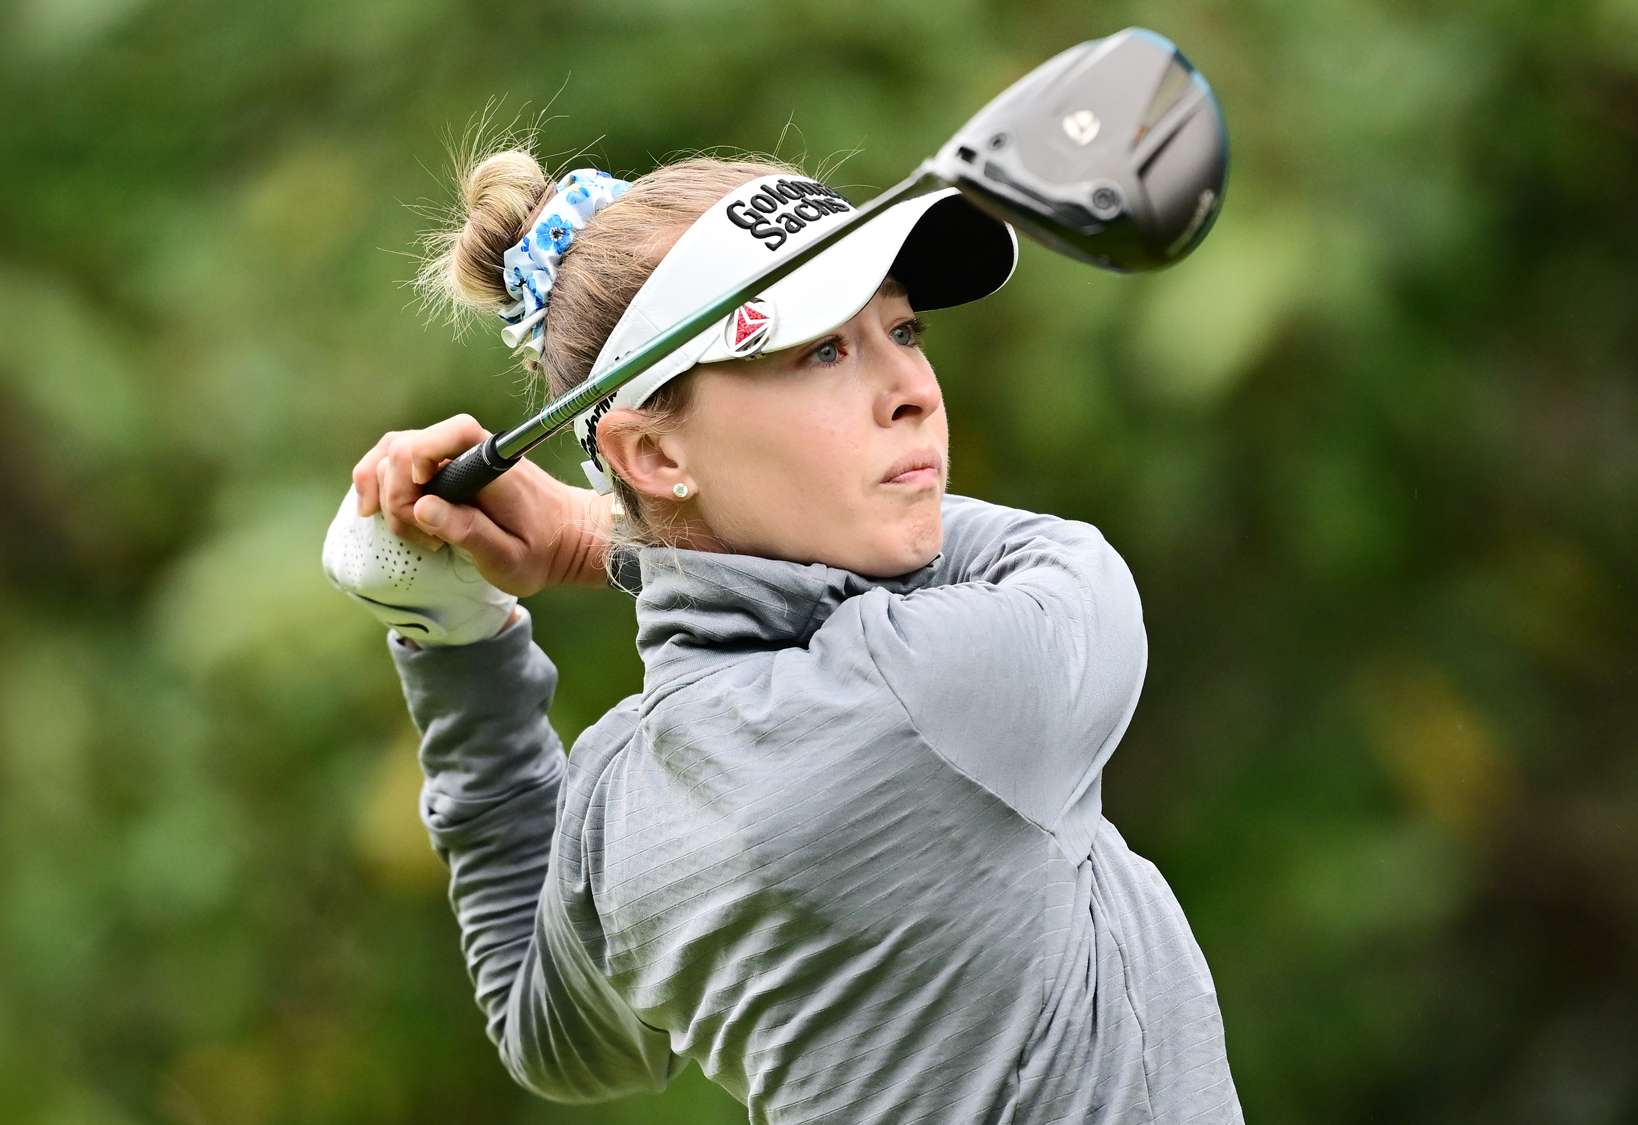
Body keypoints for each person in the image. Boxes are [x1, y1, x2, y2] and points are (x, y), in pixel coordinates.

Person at [322, 149, 1244, 1124]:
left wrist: (458, 640)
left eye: (902, 329)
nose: (912, 388)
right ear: (653, 452)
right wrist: (596, 541)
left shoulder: (619, 801)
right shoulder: (919, 691)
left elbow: (542, 1034)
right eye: (822, 351)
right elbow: (1071, 568)